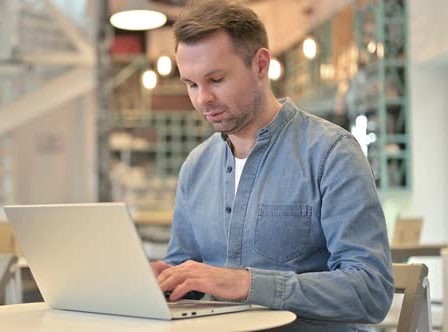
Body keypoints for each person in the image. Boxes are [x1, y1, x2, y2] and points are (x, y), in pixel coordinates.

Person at [150, 1, 393, 330]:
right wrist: (161, 280)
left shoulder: (332, 154)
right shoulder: (196, 166)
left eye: (216, 79)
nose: (202, 99)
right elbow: (187, 277)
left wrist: (246, 283)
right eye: (191, 85)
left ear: (260, 65)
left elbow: (371, 292)